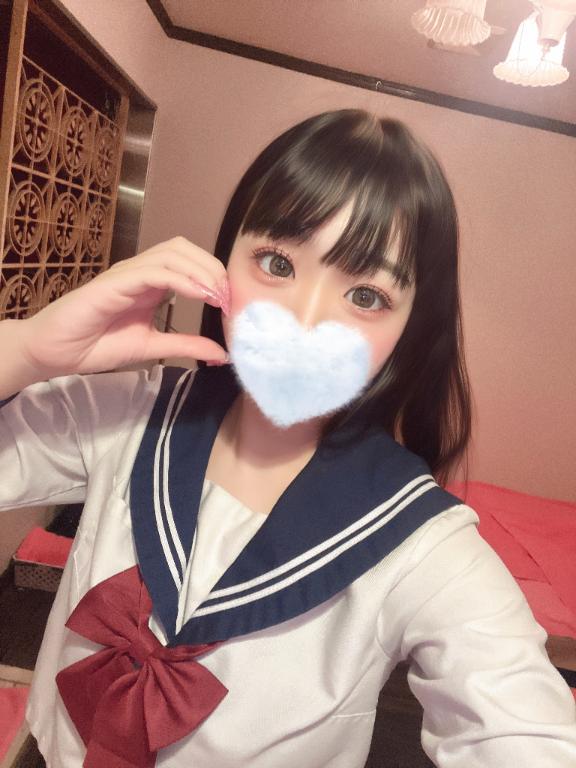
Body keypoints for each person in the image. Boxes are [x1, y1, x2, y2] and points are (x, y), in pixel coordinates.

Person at [0, 109, 575, 768]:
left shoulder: (422, 543)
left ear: (410, 329)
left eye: (366, 296)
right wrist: (29, 347)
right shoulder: (135, 410)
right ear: (224, 261)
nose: (305, 318)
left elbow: (524, 732)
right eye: (276, 262)